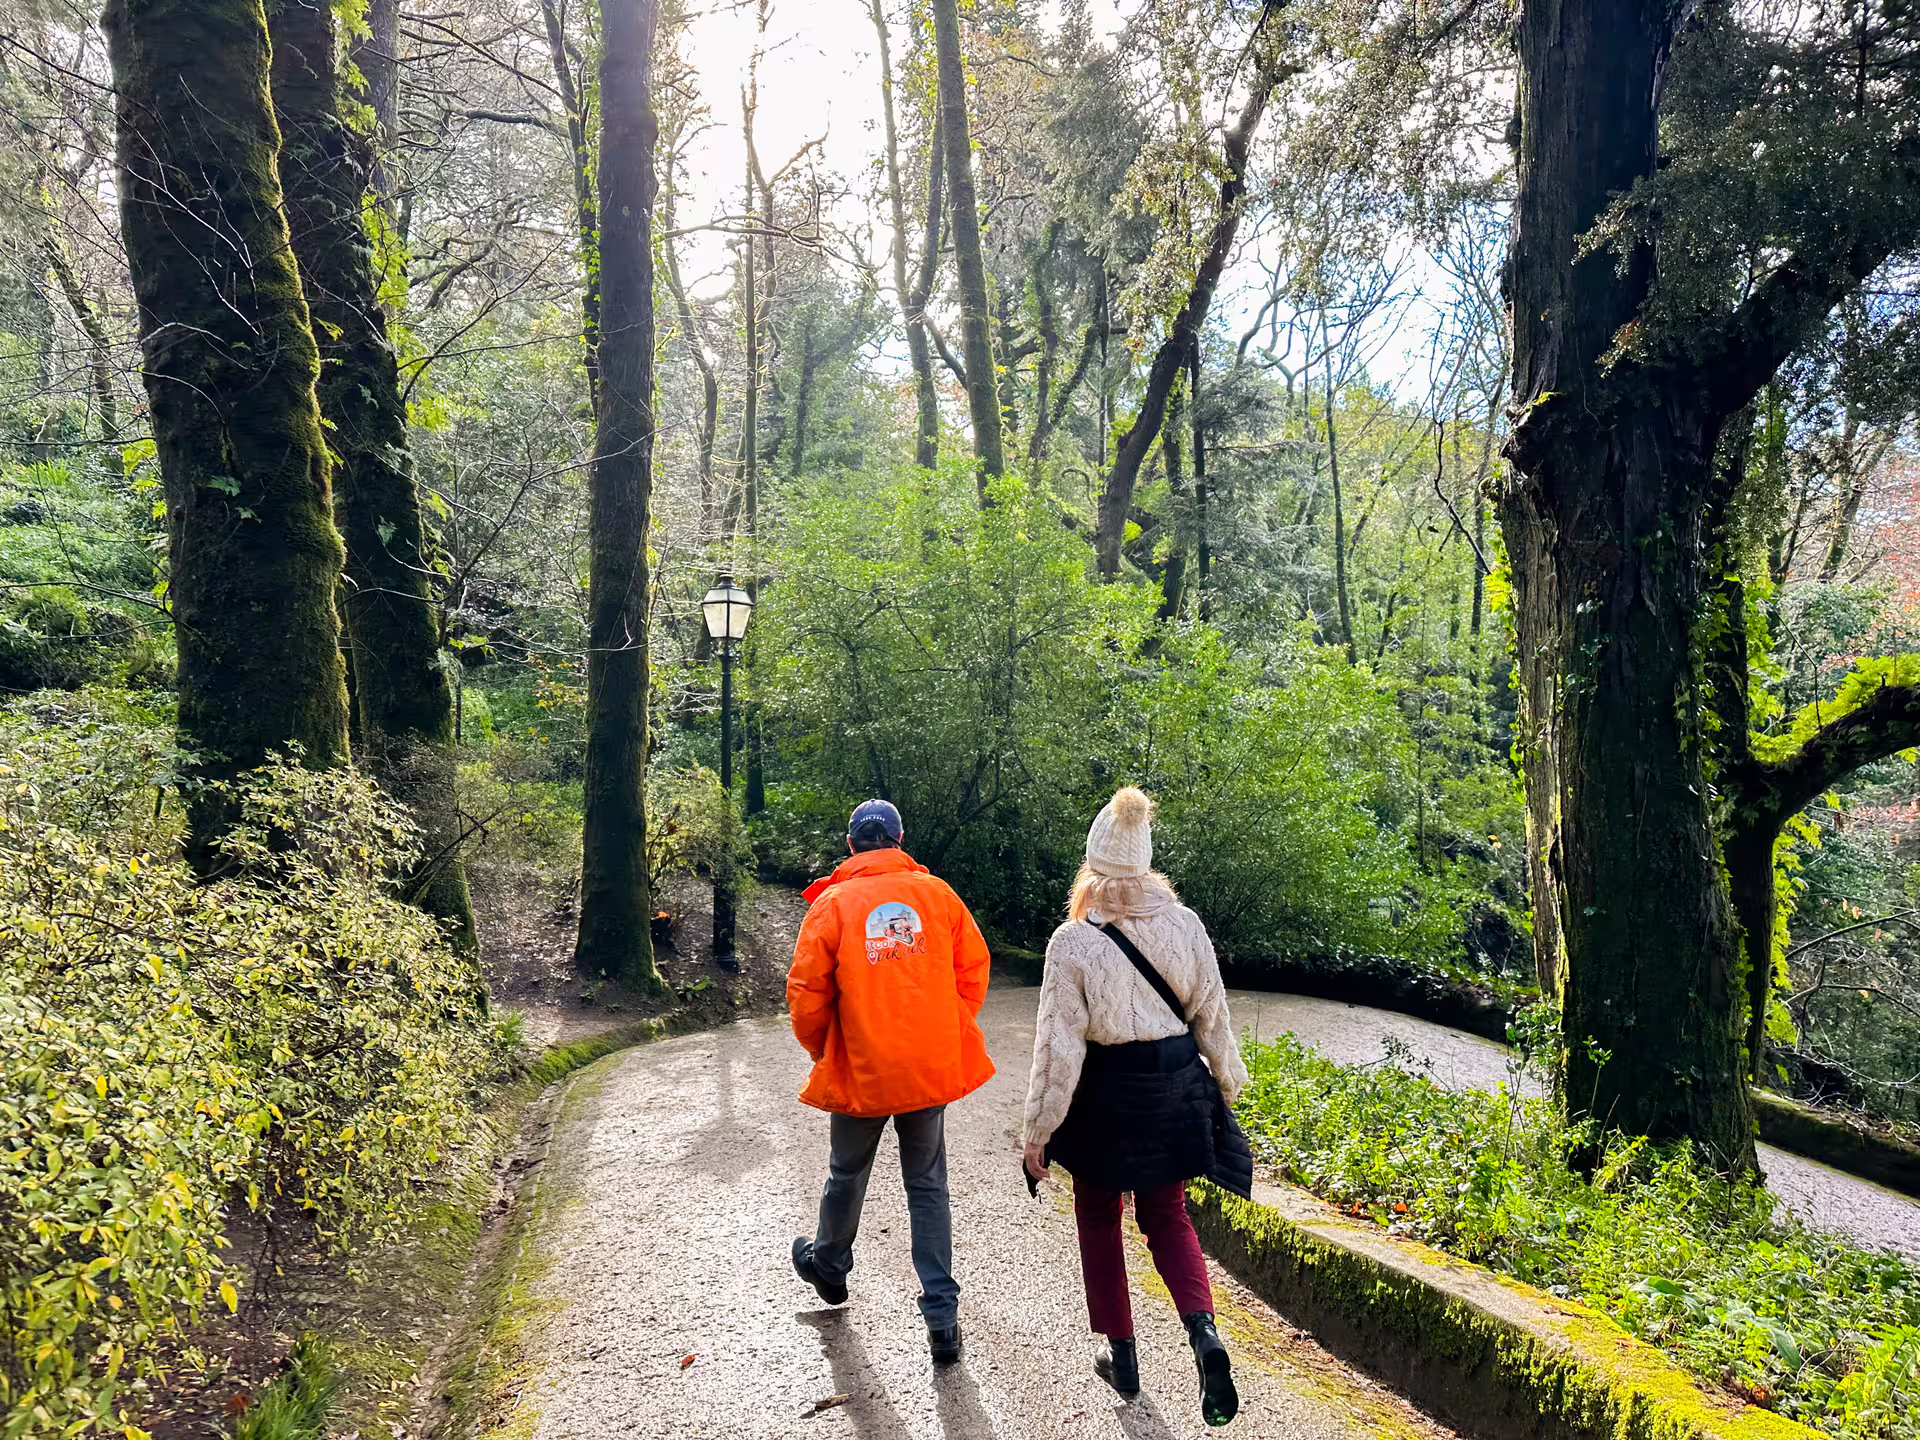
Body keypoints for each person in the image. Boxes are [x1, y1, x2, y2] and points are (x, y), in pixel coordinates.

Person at [1022, 786, 1248, 1427]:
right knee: (1168, 1214)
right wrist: (1225, 1084)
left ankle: (1121, 1354)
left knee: (1097, 1214)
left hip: (1107, 1098)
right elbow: (1213, 1015)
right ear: (1147, 862)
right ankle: (1204, 1333)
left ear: (1091, 866)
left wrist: (1038, 1130)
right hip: (1175, 1089)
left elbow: (1058, 1047)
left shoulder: (1073, 942)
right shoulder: (1186, 925)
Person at [787, 798, 994, 1365]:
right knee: (927, 1187)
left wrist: (823, 1048)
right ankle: (942, 1319)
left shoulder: (833, 904)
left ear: (852, 845)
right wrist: (949, 1029)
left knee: (846, 1172)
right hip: (926, 1067)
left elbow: (807, 993)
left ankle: (829, 1264)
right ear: (901, 839)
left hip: (863, 1067)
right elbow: (973, 970)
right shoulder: (939, 896)